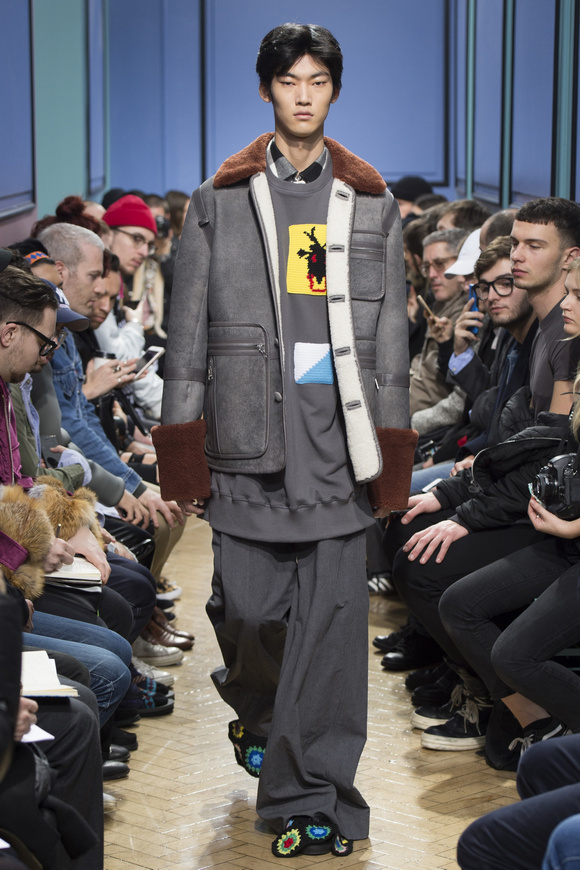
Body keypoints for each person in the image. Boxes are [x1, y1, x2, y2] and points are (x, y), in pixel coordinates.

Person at [153, 22, 416, 858]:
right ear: (267, 89)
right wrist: (181, 462)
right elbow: (186, 339)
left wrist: (392, 462)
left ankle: (317, 798)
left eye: (318, 81)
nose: (303, 96)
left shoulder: (370, 202)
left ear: (334, 90)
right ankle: (260, 714)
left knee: (332, 645)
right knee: (249, 615)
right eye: (289, 81)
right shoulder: (218, 200)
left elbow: (390, 348)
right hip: (246, 449)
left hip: (337, 452)